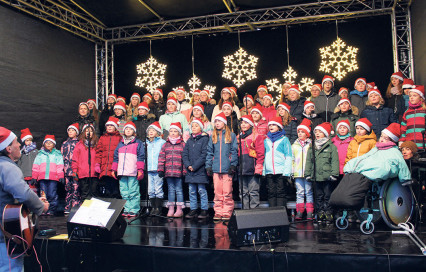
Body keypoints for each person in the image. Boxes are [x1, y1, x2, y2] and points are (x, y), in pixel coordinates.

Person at [0, 127, 49, 271]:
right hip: (5, 238)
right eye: (16, 142)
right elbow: (23, 193)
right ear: (8, 148)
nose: (19, 145)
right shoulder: (7, 167)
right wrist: (41, 206)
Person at [344, 123, 411, 184]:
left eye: (386, 138)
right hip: (362, 174)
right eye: (381, 136)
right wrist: (350, 166)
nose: (381, 139)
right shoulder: (376, 148)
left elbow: (402, 165)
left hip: (371, 175)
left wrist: (405, 179)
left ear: (392, 140)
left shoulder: (394, 151)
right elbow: (365, 156)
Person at [205, 112, 238, 221]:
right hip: (216, 169)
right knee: (217, 192)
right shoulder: (213, 136)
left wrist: (233, 164)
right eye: (215, 121)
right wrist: (208, 165)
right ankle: (218, 212)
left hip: (227, 168)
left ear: (224, 123)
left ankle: (227, 211)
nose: (217, 123)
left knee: (227, 192)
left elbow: (234, 151)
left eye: (219, 121)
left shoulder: (231, 135)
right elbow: (209, 152)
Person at [305, 122, 339, 223]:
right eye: (316, 132)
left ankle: (328, 213)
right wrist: (307, 173)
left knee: (327, 195)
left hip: (327, 176)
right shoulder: (312, 147)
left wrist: (334, 174)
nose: (317, 133)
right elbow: (308, 161)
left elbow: (334, 161)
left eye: (320, 132)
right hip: (316, 176)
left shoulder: (331, 147)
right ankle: (320, 213)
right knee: (318, 196)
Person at [112, 122, 145, 217]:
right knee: (124, 191)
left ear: (134, 131)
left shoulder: (138, 143)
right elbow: (116, 157)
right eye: (126, 129)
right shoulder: (120, 144)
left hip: (132, 171)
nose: (128, 131)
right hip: (122, 172)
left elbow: (140, 157)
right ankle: (127, 209)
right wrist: (114, 169)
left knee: (133, 191)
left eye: (130, 129)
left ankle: (134, 209)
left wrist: (140, 169)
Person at [182, 118, 210, 219]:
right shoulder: (189, 140)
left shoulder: (204, 139)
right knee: (192, 190)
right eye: (192, 126)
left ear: (201, 128)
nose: (194, 128)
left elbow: (204, 155)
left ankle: (204, 210)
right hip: (190, 171)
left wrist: (195, 166)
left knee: (201, 190)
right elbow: (185, 154)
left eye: (196, 126)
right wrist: (188, 165)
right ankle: (193, 209)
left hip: (200, 170)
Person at [158, 123, 186, 218]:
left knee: (178, 190)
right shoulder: (165, 145)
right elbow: (161, 157)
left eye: (175, 131)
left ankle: (179, 209)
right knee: (170, 190)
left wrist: (184, 170)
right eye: (171, 131)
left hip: (178, 172)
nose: (173, 133)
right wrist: (161, 169)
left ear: (179, 133)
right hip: (168, 172)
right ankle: (171, 208)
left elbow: (185, 159)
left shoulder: (182, 144)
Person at [263, 116, 292, 208]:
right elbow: (265, 155)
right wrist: (264, 170)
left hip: (281, 171)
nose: (271, 126)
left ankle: (281, 212)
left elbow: (288, 155)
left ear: (279, 127)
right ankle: (272, 212)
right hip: (269, 171)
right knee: (271, 192)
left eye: (274, 125)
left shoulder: (284, 139)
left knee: (280, 191)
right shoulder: (266, 140)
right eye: (270, 125)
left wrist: (287, 171)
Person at [32, 135, 64, 215]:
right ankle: (44, 209)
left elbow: (60, 166)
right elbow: (36, 166)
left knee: (52, 193)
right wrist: (34, 176)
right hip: (42, 177)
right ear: (44, 144)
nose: (49, 144)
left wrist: (61, 176)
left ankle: (52, 209)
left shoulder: (57, 154)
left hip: (53, 178)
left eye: (51, 143)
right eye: (47, 142)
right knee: (43, 194)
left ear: (54, 145)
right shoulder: (40, 154)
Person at [238, 115, 265, 209]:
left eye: (246, 123)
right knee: (243, 192)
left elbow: (261, 154)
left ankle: (254, 211)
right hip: (241, 169)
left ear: (250, 124)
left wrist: (258, 168)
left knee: (253, 192)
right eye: (242, 123)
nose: (243, 125)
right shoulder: (239, 137)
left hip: (252, 169)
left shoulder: (256, 136)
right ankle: (245, 211)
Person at [292, 119, 313, 220]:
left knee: (308, 191)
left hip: (308, 172)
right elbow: (292, 159)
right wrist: (292, 171)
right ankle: (299, 211)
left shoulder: (311, 145)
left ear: (307, 134)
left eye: (302, 132)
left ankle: (310, 211)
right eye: (299, 132)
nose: (300, 133)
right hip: (297, 172)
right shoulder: (294, 145)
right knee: (299, 192)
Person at [95, 117, 121, 198]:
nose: (109, 127)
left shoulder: (119, 138)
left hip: (114, 167)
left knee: (115, 188)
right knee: (107, 188)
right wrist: (97, 164)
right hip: (104, 166)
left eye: (111, 125)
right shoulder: (102, 138)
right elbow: (99, 152)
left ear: (115, 127)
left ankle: (116, 206)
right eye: (108, 125)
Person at [72, 124, 99, 201]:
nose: (89, 133)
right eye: (87, 131)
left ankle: (93, 210)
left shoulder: (96, 144)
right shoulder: (79, 145)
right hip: (83, 173)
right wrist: (74, 170)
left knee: (94, 192)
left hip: (94, 173)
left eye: (91, 131)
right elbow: (75, 159)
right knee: (85, 193)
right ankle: (85, 210)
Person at [146, 122, 166, 216]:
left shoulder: (162, 143)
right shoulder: (146, 143)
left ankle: (158, 208)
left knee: (158, 189)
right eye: (149, 130)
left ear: (157, 132)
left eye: (153, 130)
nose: (151, 132)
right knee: (150, 190)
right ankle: (153, 207)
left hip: (158, 169)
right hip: (149, 169)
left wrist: (162, 168)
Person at [61, 123, 80, 213]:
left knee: (76, 187)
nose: (70, 132)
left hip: (75, 170)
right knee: (68, 188)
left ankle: (75, 205)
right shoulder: (64, 144)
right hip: (66, 169)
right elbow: (62, 156)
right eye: (69, 130)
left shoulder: (79, 143)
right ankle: (68, 205)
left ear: (76, 132)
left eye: (72, 130)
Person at [400, 85, 426, 150]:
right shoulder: (407, 112)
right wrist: (402, 141)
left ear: (421, 98)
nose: (411, 98)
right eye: (410, 96)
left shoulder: (424, 110)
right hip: (410, 146)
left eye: (414, 96)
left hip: (423, 144)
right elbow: (403, 128)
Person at [17, 128, 38, 194]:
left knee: (33, 190)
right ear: (24, 141)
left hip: (33, 174)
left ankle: (33, 202)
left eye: (30, 140)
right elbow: (19, 162)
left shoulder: (36, 151)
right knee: (23, 190)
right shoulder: (22, 152)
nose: (29, 142)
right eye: (27, 140)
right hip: (24, 174)